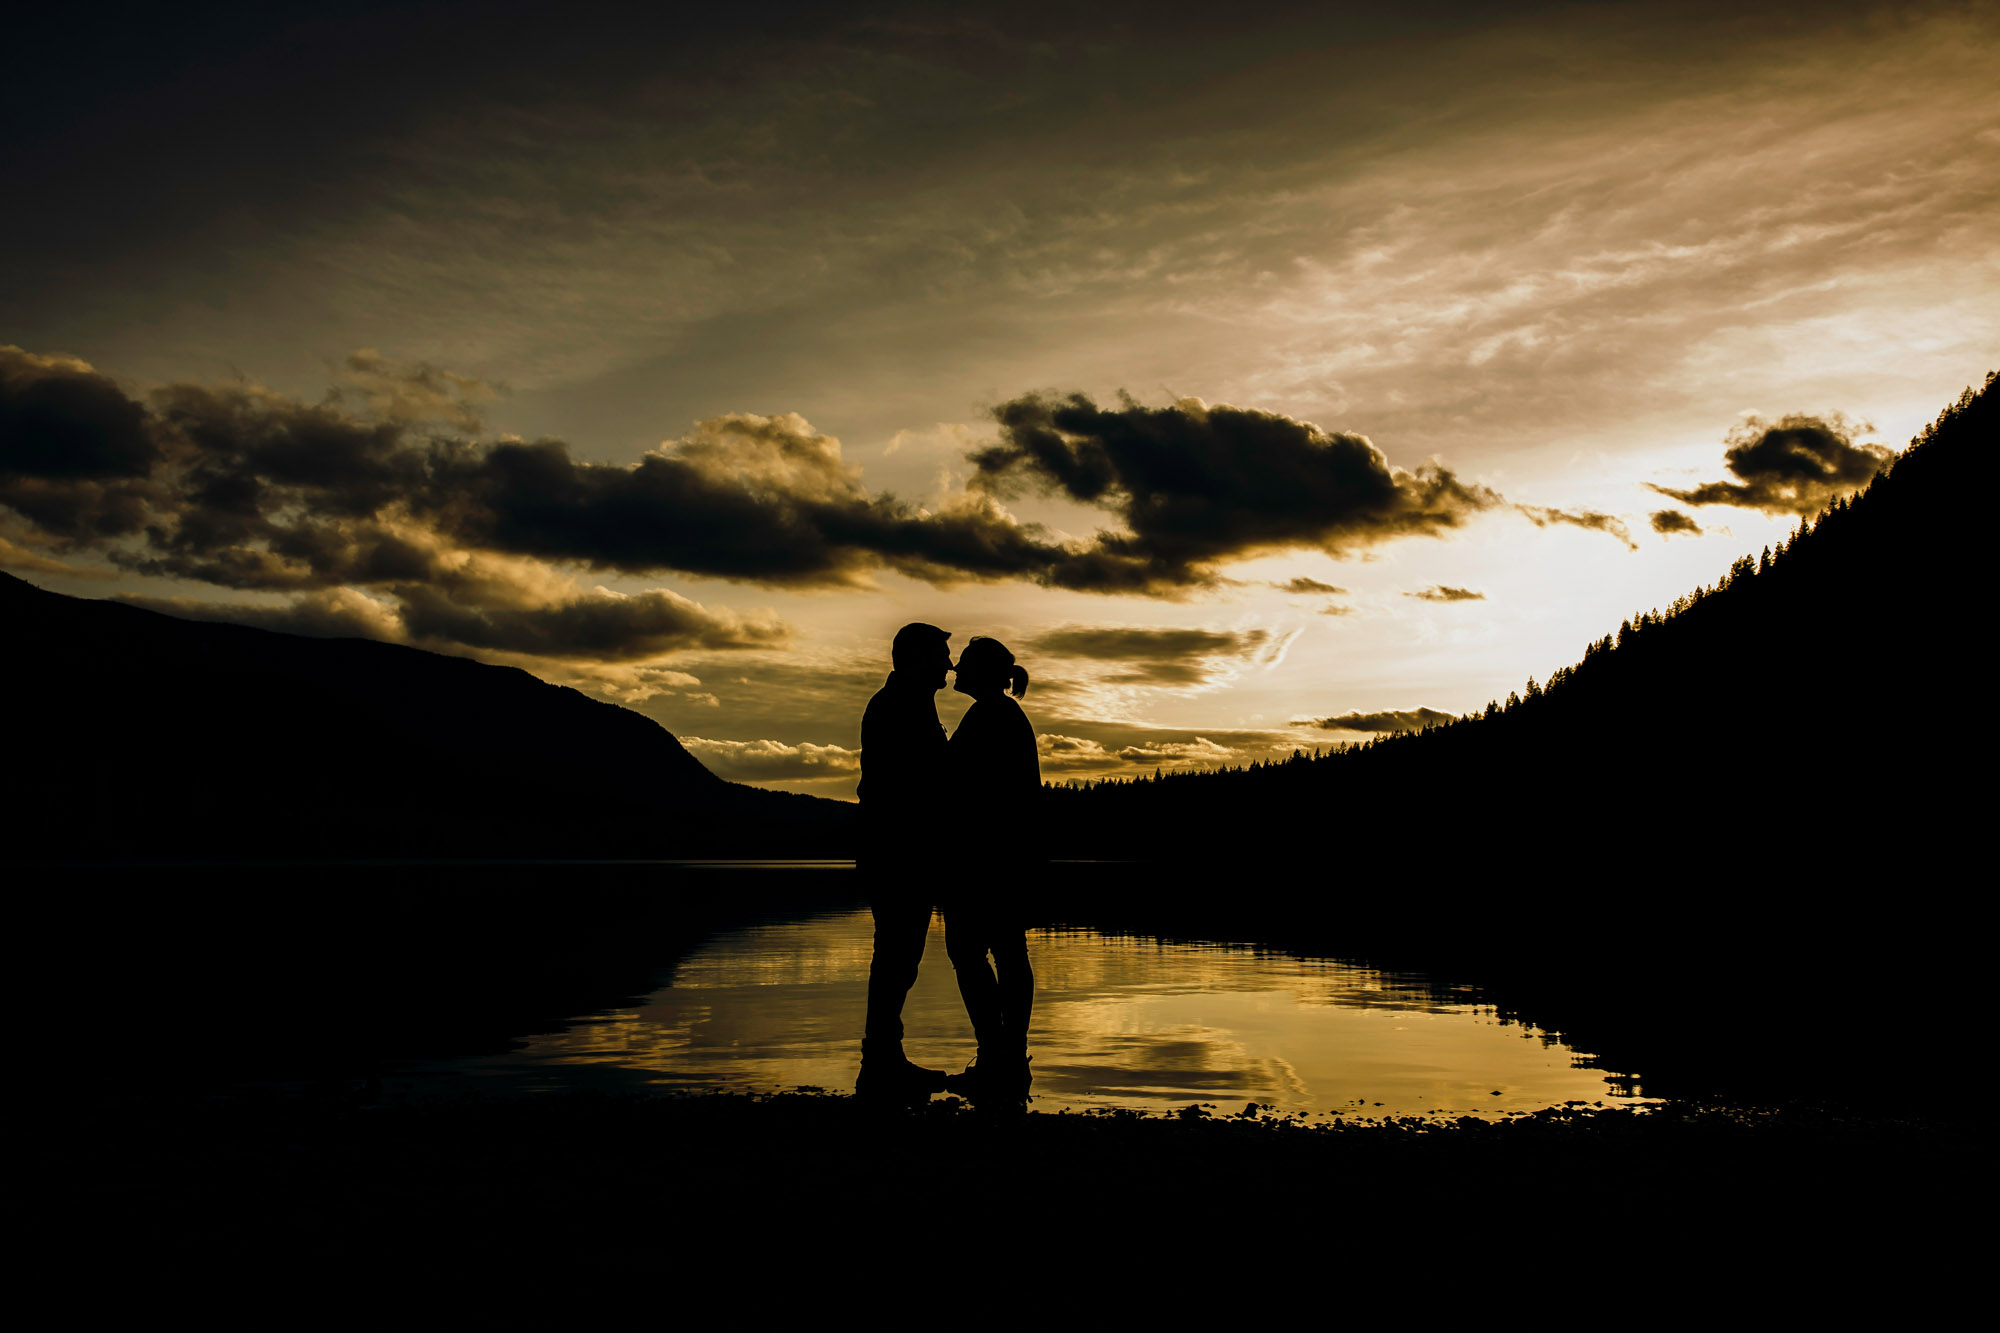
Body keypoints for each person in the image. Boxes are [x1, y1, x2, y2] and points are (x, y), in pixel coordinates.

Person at [854, 622, 954, 1101]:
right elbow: (911, 784)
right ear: (917, 657)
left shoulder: (911, 702)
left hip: (900, 851)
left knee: (899, 957)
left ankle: (883, 1058)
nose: (949, 666)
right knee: (896, 955)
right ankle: (881, 1060)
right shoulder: (898, 705)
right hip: (897, 853)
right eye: (941, 656)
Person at [940, 636, 1042, 1104]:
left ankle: (998, 1054)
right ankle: (1006, 1057)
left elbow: (961, 785)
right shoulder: (1000, 714)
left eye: (964, 664)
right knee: (1003, 949)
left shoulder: (991, 716)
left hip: (986, 858)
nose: (956, 670)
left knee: (970, 951)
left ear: (983, 672)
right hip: (1005, 856)